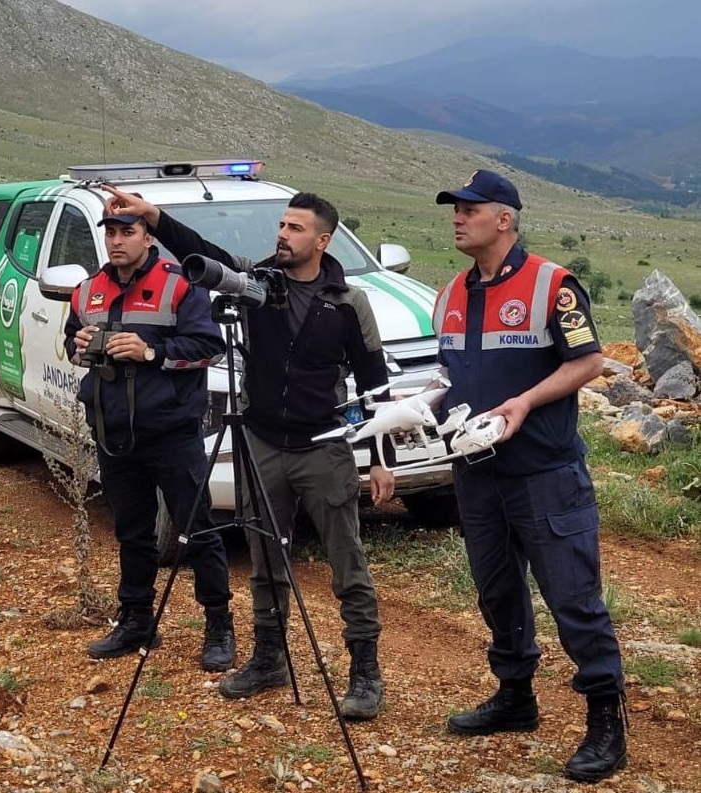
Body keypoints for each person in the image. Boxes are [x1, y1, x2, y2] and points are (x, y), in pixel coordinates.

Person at [98, 185, 395, 721]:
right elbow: (202, 251)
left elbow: (375, 386)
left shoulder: (350, 303)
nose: (283, 235)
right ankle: (269, 658)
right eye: (281, 225)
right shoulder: (257, 282)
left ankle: (364, 672)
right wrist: (153, 217)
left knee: (346, 563)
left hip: (324, 447)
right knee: (263, 559)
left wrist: (380, 457)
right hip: (261, 442)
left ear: (323, 241)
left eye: (295, 228)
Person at [432, 169, 627, 783]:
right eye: (454, 209)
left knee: (573, 598)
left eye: (469, 209)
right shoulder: (448, 294)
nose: (457, 218)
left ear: (505, 218)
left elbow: (589, 362)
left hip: (545, 473)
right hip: (476, 475)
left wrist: (524, 402)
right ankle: (515, 695)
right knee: (497, 592)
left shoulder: (551, 285)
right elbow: (448, 377)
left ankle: (605, 717)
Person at [64, 212, 236, 672]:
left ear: (148, 236)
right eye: (111, 233)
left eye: (128, 232)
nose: (117, 241)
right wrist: (79, 343)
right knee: (132, 531)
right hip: (114, 430)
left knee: (195, 528)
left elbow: (208, 348)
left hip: (171, 432)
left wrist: (151, 351)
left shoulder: (179, 285)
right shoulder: (88, 289)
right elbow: (71, 345)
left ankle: (219, 624)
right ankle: (137, 619)